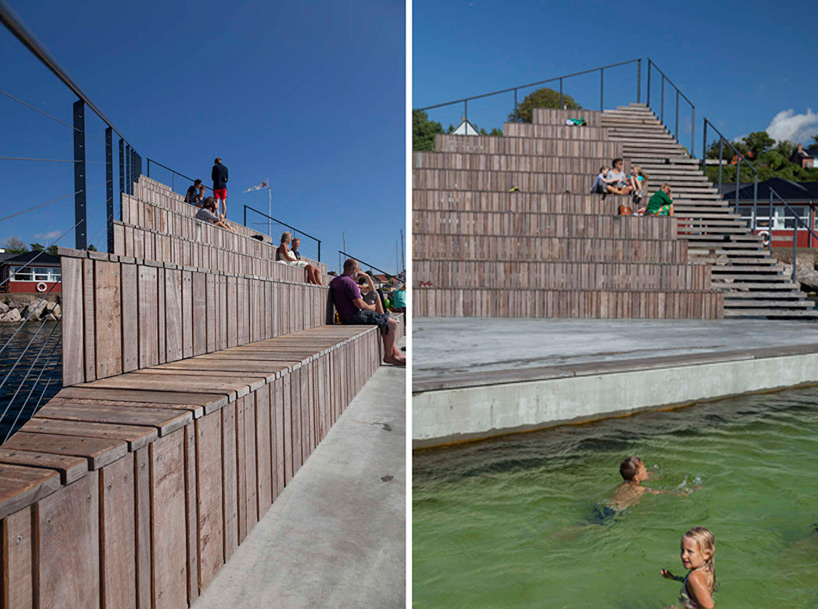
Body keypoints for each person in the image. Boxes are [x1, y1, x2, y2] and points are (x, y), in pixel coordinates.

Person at [331, 259, 405, 366]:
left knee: (385, 321)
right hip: (355, 316)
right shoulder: (350, 283)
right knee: (391, 323)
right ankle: (389, 356)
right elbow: (360, 304)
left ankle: (395, 353)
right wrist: (373, 307)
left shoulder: (336, 280)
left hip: (345, 316)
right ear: (354, 269)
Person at [660, 527, 716, 609]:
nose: (684, 556)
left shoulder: (694, 577)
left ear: (706, 554)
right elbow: (693, 586)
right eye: (682, 550)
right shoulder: (707, 570)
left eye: (690, 552)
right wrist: (675, 578)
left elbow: (710, 607)